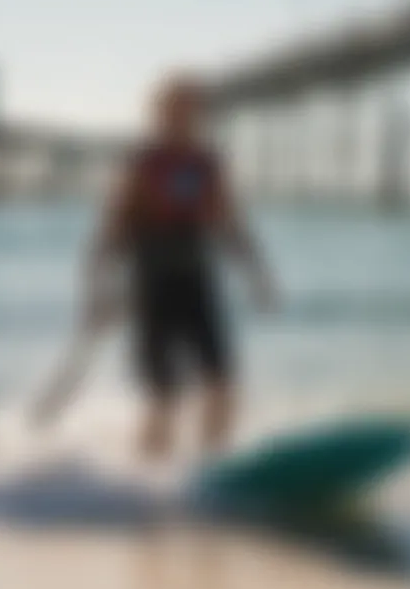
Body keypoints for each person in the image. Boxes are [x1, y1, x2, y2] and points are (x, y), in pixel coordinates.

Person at [81, 73, 275, 461]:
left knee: (223, 385)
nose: (183, 117)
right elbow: (110, 231)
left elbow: (229, 223)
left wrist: (258, 275)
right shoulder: (143, 163)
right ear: (157, 113)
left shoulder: (207, 163)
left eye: (191, 109)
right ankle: (149, 481)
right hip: (152, 286)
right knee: (163, 395)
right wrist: (98, 293)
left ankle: (212, 468)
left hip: (197, 283)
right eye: (174, 109)